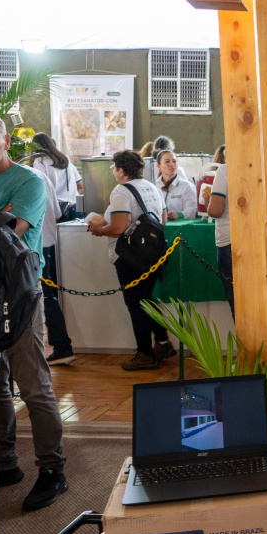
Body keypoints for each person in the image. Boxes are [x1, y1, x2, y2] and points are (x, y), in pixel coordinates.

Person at [0, 113, 68, 511]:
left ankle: (53, 470)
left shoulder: (28, 182)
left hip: (19, 296)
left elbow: (8, 233)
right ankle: (4, 464)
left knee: (33, 385)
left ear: (5, 141)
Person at [88, 150, 176, 371]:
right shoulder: (153, 188)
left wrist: (99, 230)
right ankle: (163, 344)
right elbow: (162, 220)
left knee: (136, 306)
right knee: (146, 301)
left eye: (114, 169)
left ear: (120, 170)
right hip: (153, 254)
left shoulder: (122, 191)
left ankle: (145, 354)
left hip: (130, 257)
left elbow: (118, 228)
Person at [30, 133, 76, 364]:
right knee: (50, 295)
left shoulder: (38, 165)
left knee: (47, 297)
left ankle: (61, 346)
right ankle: (60, 346)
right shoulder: (62, 160)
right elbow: (57, 213)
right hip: (51, 237)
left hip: (36, 245)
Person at [206, 161, 235, 320]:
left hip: (230, 240)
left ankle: (248, 344)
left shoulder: (226, 169)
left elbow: (215, 210)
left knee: (238, 303)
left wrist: (207, 203)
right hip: (265, 239)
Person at [32, 133, 83, 221]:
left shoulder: (40, 161)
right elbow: (80, 185)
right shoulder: (65, 159)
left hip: (57, 209)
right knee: (77, 234)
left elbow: (41, 187)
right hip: (75, 207)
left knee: (58, 235)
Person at [155, 150, 197, 220]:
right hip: (159, 227)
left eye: (174, 161)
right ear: (158, 166)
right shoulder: (154, 186)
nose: (172, 164)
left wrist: (178, 215)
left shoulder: (187, 186)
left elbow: (192, 211)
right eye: (167, 161)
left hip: (180, 228)